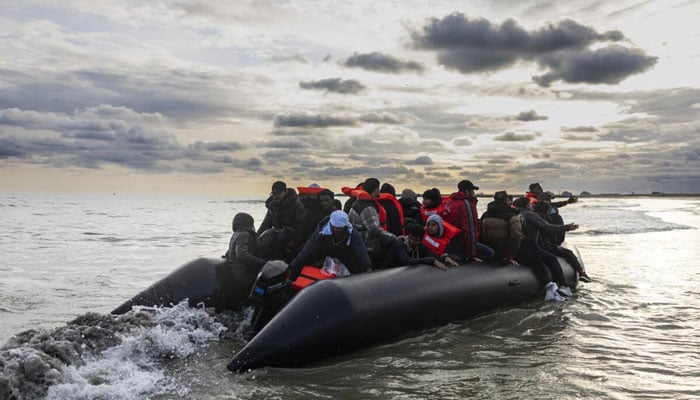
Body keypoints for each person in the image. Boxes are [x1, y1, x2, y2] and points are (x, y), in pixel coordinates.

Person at [514, 197, 578, 299]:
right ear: (526, 205)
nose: (532, 206)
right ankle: (563, 286)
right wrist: (566, 228)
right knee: (552, 258)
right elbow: (547, 227)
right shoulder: (530, 215)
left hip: (514, 249)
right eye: (530, 204)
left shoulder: (513, 214)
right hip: (529, 248)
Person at [289, 210, 371, 279]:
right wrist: (293, 267)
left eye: (339, 228)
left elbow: (361, 251)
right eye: (333, 227)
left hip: (344, 260)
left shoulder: (353, 233)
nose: (335, 229)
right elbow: (308, 250)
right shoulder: (321, 232)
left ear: (345, 226)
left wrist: (367, 268)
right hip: (323, 259)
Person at [533, 201, 592, 282]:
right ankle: (581, 273)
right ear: (546, 210)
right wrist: (567, 228)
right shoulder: (546, 219)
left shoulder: (529, 216)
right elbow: (551, 230)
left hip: (533, 245)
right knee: (568, 253)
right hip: (544, 245)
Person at [219, 213, 268, 309]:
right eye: (252, 224)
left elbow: (230, 253)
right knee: (265, 281)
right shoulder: (244, 234)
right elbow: (242, 256)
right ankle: (258, 303)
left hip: (236, 274)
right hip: (244, 275)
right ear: (248, 224)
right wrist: (264, 263)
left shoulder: (236, 234)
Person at [442, 180, 495, 262]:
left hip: (450, 241)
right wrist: (471, 253)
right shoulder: (466, 204)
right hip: (462, 242)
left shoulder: (450, 202)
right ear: (467, 191)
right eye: (472, 191)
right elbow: (469, 229)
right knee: (490, 253)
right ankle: (464, 258)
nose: (473, 193)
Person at [348, 178, 397, 265]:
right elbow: (374, 229)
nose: (379, 191)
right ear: (375, 190)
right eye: (378, 188)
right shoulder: (368, 208)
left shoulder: (357, 202)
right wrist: (393, 238)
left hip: (358, 245)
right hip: (368, 248)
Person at [257, 181, 307, 262]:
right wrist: (256, 238)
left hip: (292, 237)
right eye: (274, 194)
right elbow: (265, 224)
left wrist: (293, 243)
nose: (276, 196)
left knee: (284, 232)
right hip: (277, 237)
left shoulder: (297, 205)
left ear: (285, 192)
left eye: (279, 193)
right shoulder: (272, 206)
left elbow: (302, 227)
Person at [383, 223, 457, 270]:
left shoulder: (421, 246)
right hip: (386, 272)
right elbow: (407, 261)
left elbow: (433, 255)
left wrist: (444, 257)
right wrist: (430, 260)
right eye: (410, 238)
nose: (411, 241)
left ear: (420, 240)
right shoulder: (400, 243)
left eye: (415, 240)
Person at [480, 191, 524, 266]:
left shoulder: (485, 214)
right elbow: (516, 235)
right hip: (503, 252)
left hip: (487, 249)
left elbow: (479, 229)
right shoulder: (512, 216)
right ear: (506, 200)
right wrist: (510, 255)